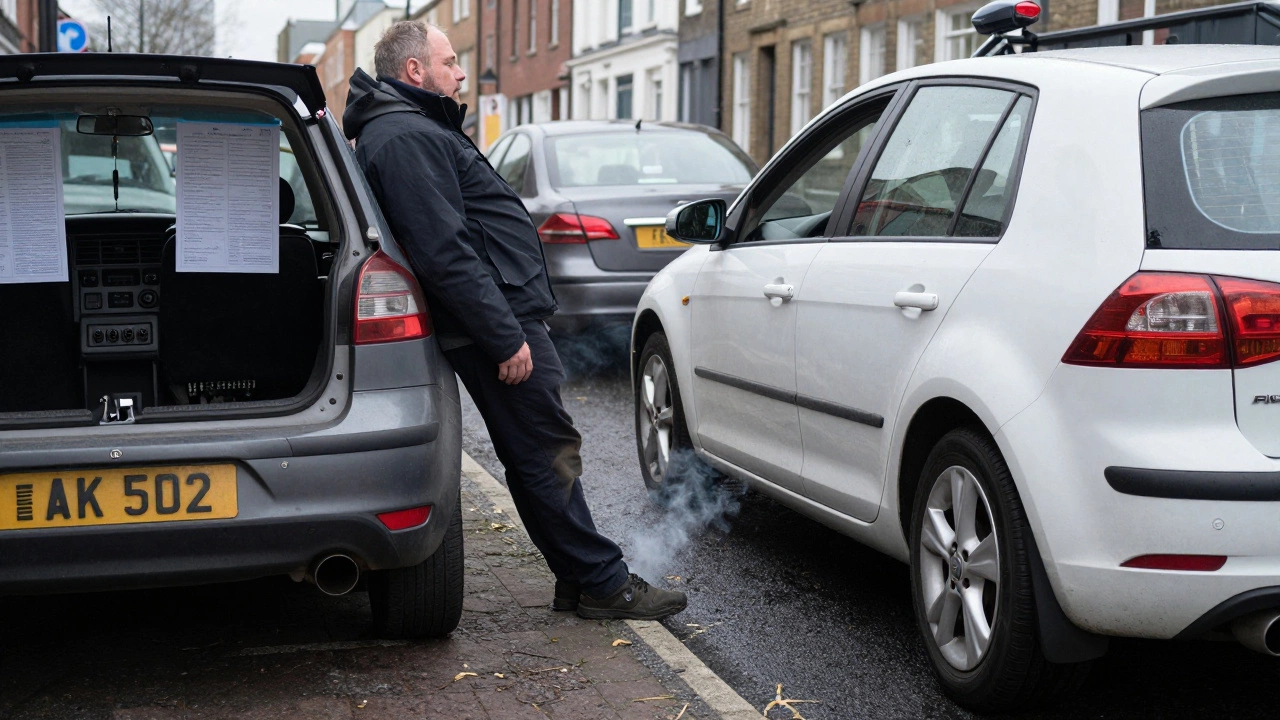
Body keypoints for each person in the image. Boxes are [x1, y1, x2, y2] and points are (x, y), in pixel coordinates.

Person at [343, 20, 687, 621]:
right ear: (415, 70)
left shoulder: (412, 126)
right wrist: (504, 335)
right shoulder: (403, 136)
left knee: (544, 447)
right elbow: (444, 250)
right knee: (542, 452)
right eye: (449, 61)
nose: (460, 72)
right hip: (495, 323)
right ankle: (604, 585)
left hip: (503, 313)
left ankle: (577, 579)